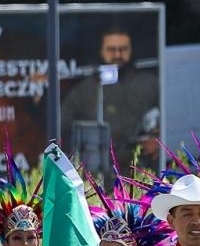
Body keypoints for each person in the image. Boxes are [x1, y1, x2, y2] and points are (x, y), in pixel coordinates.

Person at [58, 25, 161, 174]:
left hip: (140, 170)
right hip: (96, 173)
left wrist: (159, 141)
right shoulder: (84, 90)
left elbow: (172, 122)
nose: (118, 55)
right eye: (111, 50)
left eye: (123, 49)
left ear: (131, 50)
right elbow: (60, 127)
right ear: (101, 51)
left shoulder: (150, 85)